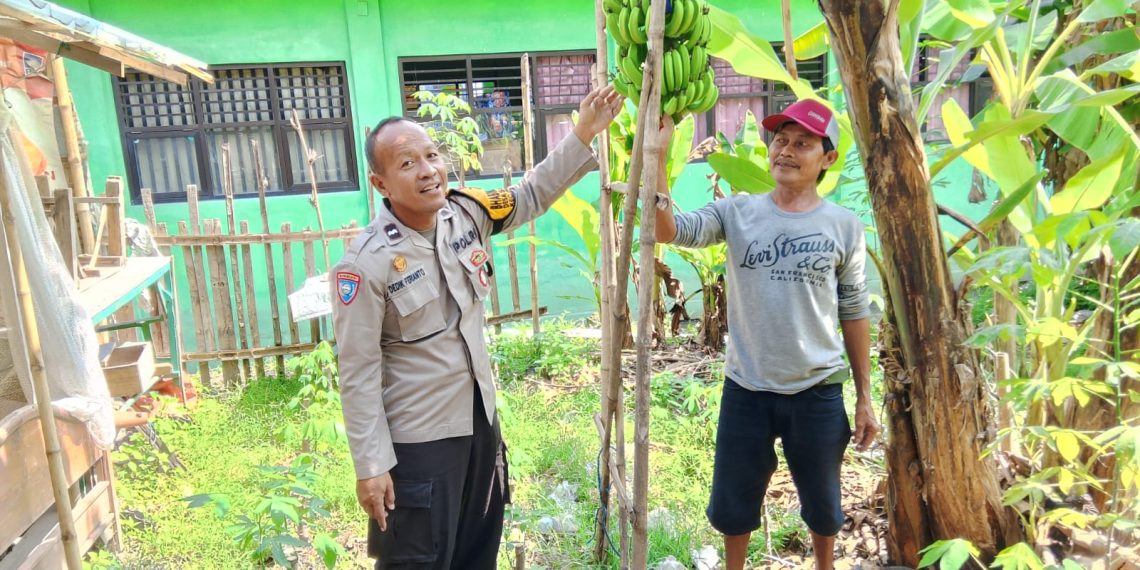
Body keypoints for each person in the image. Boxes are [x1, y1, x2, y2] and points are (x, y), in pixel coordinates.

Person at [330, 84, 622, 570]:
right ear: (381, 184)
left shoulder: (467, 213)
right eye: (407, 163)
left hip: (480, 424)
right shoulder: (366, 264)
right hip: (419, 445)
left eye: (432, 155)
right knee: (417, 562)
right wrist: (371, 465)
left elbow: (529, 194)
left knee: (476, 553)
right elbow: (357, 371)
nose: (428, 170)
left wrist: (584, 132)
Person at [654, 98, 880, 570]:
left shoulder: (843, 226)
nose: (787, 151)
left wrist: (864, 396)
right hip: (748, 388)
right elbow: (669, 230)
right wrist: (657, 157)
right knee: (734, 507)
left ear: (828, 157)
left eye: (803, 143)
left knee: (824, 507)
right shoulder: (737, 212)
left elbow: (854, 311)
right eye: (780, 140)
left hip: (816, 389)